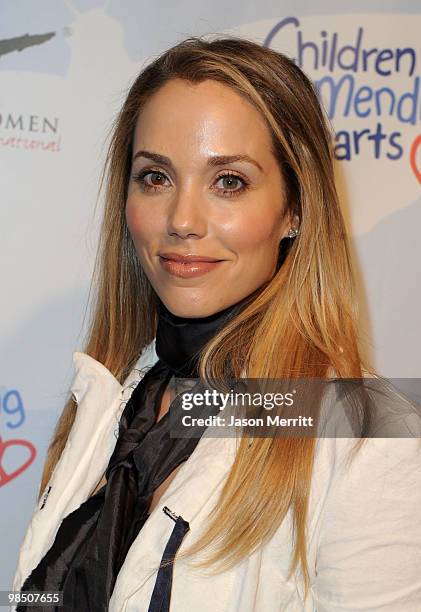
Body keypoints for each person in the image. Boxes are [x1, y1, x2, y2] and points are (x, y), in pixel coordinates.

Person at [11, 36, 421, 611]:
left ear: (295, 208)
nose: (182, 220)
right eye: (156, 177)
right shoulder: (114, 396)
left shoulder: (364, 439)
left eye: (228, 181)